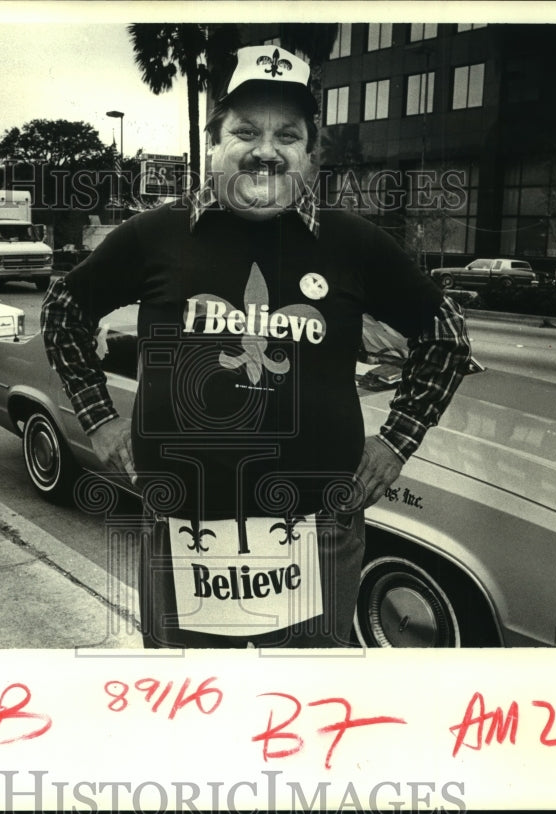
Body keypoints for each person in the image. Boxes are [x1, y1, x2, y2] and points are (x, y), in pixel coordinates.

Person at [42, 45, 473, 649]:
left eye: (288, 135)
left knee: (303, 709)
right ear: (214, 141)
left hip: (319, 533)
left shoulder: (355, 244)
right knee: (190, 705)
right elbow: (63, 310)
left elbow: (447, 338)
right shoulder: (155, 235)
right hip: (186, 529)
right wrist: (99, 421)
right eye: (245, 131)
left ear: (311, 156)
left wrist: (396, 442)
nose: (266, 150)